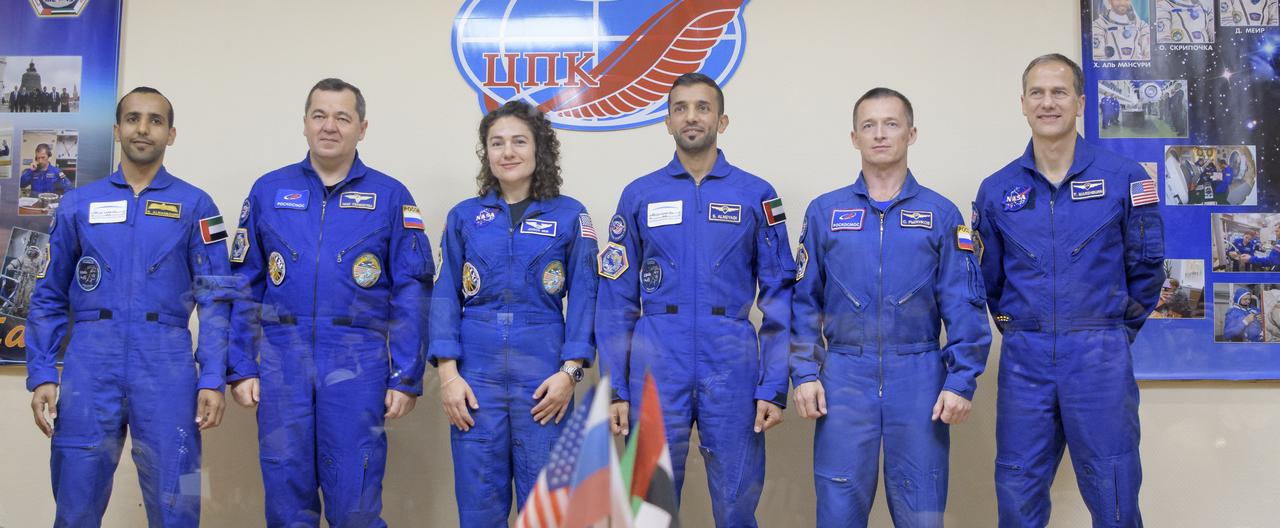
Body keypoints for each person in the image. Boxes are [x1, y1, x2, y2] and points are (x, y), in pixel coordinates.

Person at [226, 78, 433, 527]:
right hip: (283, 362)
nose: (330, 126)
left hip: (357, 362)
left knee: (355, 499)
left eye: (342, 117)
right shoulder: (267, 191)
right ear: (304, 124)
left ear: (362, 127)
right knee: (286, 498)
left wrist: (405, 376)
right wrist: (241, 366)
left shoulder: (391, 196)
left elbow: (412, 290)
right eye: (319, 115)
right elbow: (245, 283)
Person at [26, 86, 235, 526]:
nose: (143, 128)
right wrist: (43, 371)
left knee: (179, 497)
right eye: (134, 118)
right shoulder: (77, 204)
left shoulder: (199, 207)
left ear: (171, 134)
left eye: (156, 120)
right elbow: (47, 294)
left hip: (167, 365)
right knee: (75, 501)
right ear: (117, 128)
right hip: (89, 363)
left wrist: (213, 376)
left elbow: (217, 299)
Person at [972, 54, 1164, 527]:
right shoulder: (997, 191)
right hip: (1025, 360)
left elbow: (1147, 270)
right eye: (1037, 93)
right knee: (1017, 491)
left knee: (1114, 490)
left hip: (1099, 355)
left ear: (1080, 101)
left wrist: (1109, 331)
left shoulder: (1125, 178)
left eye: (1059, 92)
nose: (1048, 102)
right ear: (1022, 104)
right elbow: (990, 281)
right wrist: (1025, 328)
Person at [597, 72, 794, 526]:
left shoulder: (756, 194)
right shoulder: (640, 194)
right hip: (655, 357)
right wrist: (618, 388)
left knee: (736, 501)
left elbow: (781, 296)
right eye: (681, 108)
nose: (692, 117)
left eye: (703, 107)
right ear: (666, 122)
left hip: (732, 358)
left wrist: (772, 385)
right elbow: (615, 299)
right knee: (649, 506)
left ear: (722, 121)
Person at [790, 88, 991, 527]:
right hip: (843, 376)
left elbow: (965, 306)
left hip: (919, 375)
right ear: (854, 137)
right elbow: (803, 303)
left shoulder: (940, 214)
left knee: (921, 513)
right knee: (838, 512)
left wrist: (961, 380)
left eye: (892, 124)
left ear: (911, 133)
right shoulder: (826, 212)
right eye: (869, 125)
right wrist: (805, 374)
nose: (880, 134)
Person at [430, 100, 598, 525]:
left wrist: (570, 374)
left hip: (544, 380)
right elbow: (446, 296)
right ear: (485, 153)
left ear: (539, 148)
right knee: (478, 507)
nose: (507, 152)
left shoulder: (570, 215)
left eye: (519, 141)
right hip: (475, 381)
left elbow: (585, 298)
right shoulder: (464, 218)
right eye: (496, 143)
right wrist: (448, 378)